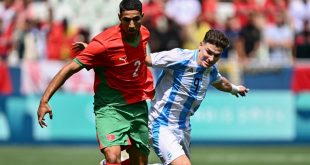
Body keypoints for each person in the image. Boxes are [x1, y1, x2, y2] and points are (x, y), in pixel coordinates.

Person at [37, 0, 154, 165]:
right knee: (113, 158)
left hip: (137, 105)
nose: (132, 25)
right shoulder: (103, 44)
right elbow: (69, 69)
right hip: (110, 107)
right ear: (119, 17)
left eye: (136, 19)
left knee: (140, 162)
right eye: (126, 20)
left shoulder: (145, 33)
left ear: (142, 16)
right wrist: (44, 100)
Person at [146, 29, 249, 165]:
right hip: (161, 124)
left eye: (216, 55)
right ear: (201, 45)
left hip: (183, 128)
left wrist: (235, 89)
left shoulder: (211, 70)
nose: (211, 58)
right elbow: (147, 59)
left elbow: (220, 82)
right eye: (208, 52)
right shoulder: (181, 57)